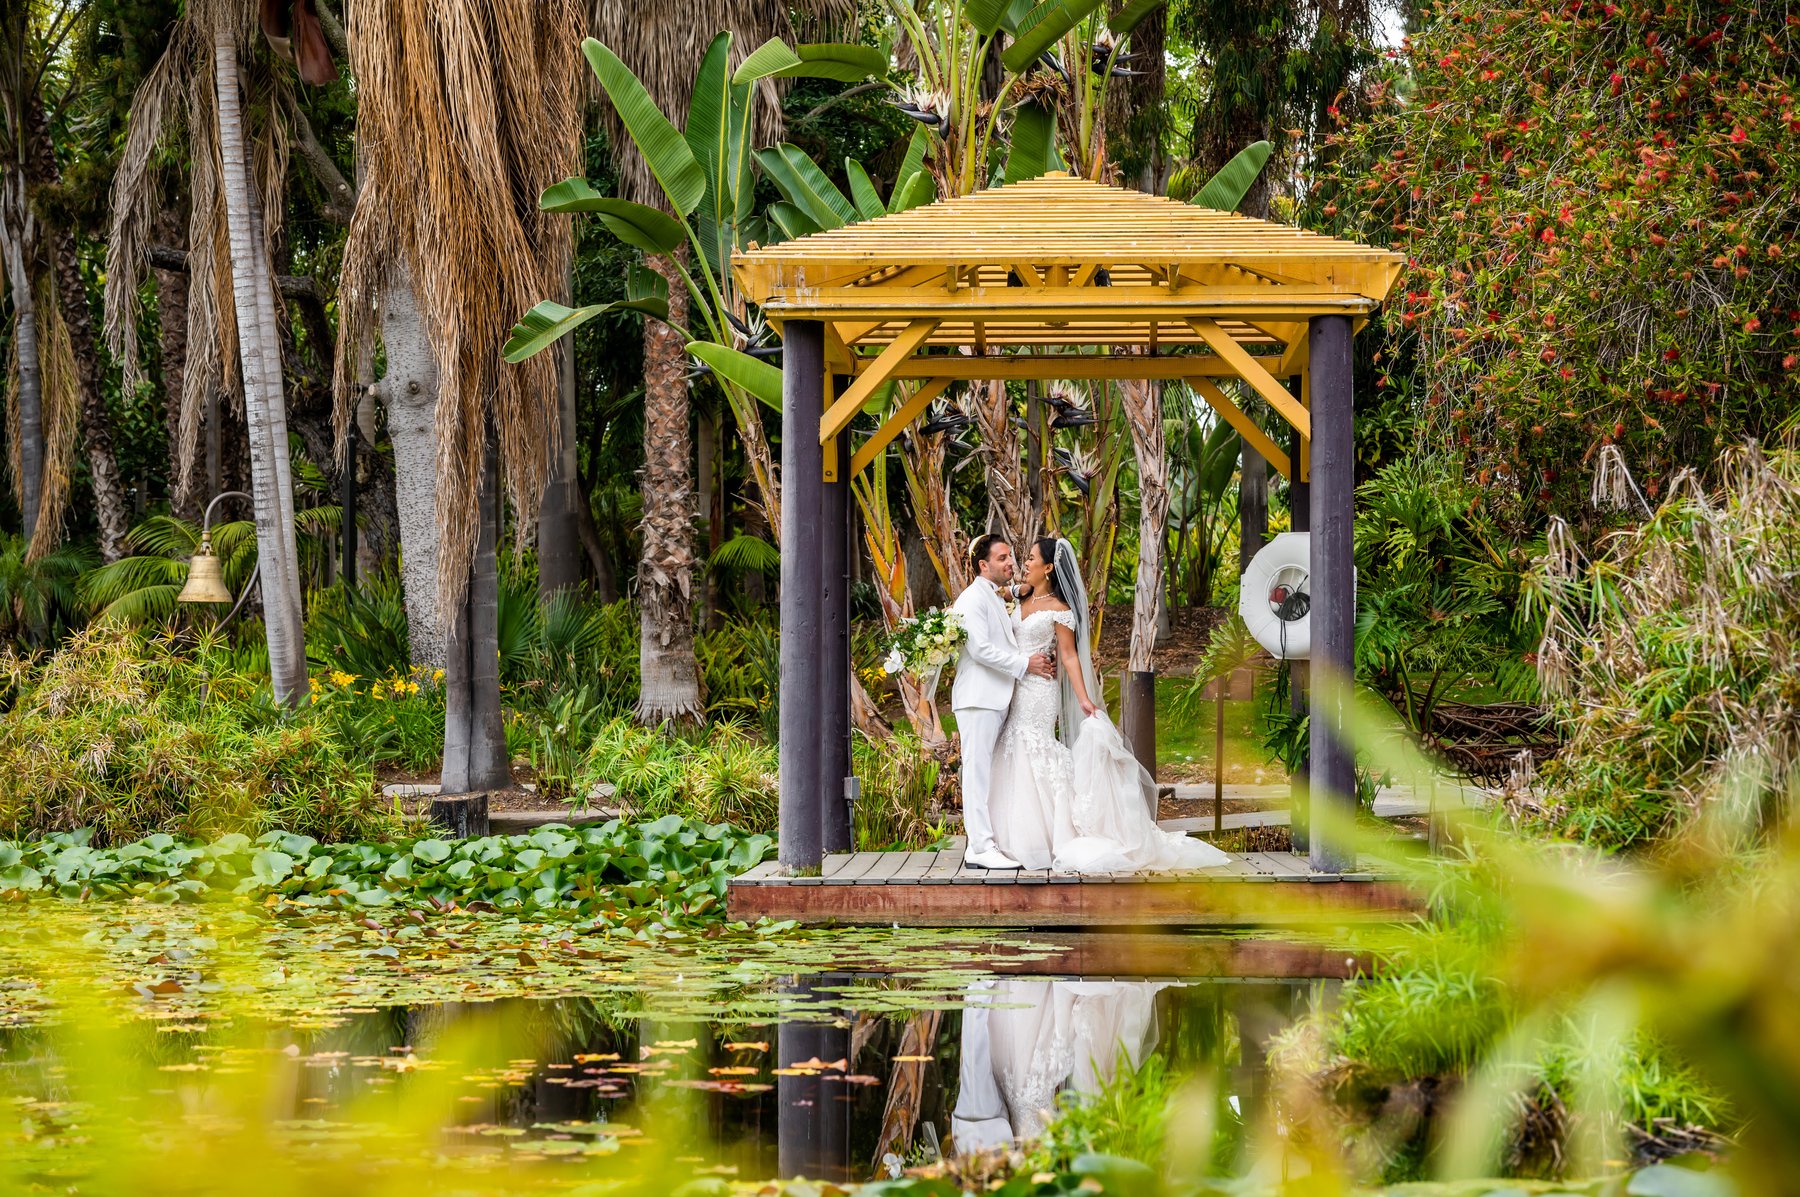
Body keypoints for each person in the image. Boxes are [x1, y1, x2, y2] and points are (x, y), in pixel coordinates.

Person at [988, 536, 1232, 873]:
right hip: (1017, 687)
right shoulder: (1021, 594)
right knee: (1013, 748)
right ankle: (1011, 837)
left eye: (1031, 558)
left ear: (1049, 567)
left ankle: (1049, 836)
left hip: (1039, 692)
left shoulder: (1059, 610)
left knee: (1034, 749)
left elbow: (1069, 657)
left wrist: (1084, 698)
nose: (1024, 563)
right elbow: (997, 595)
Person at [950, 534, 1056, 870]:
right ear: (983, 565)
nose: (1011, 562)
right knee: (977, 772)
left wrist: (1017, 591)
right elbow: (980, 649)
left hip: (995, 699)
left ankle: (988, 841)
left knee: (987, 772)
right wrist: (1026, 664)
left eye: (1011, 556)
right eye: (1002, 558)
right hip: (978, 699)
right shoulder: (971, 599)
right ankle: (980, 848)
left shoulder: (993, 595)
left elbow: (1010, 601)